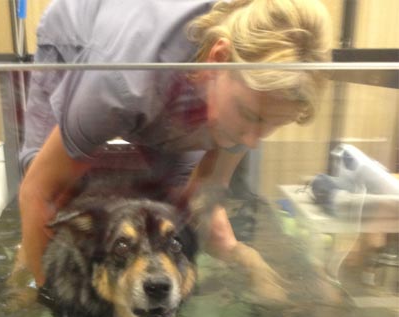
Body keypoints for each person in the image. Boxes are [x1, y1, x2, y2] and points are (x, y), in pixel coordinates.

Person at [17, 0, 332, 297]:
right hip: (79, 36)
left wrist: (247, 262)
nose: (251, 141)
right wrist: (51, 300)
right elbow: (37, 193)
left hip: (173, 69)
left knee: (172, 202)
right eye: (250, 116)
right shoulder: (122, 82)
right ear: (219, 60)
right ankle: (23, 273)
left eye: (271, 126)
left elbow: (203, 199)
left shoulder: (250, 91)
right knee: (54, 199)